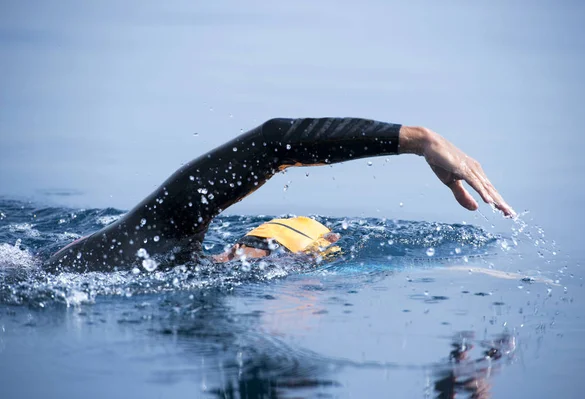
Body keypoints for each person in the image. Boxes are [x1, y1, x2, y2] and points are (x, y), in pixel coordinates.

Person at [45, 117, 514, 273]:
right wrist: (421, 139)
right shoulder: (160, 248)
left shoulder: (150, 241)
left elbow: (271, 144)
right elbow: (274, 140)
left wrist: (418, 141)